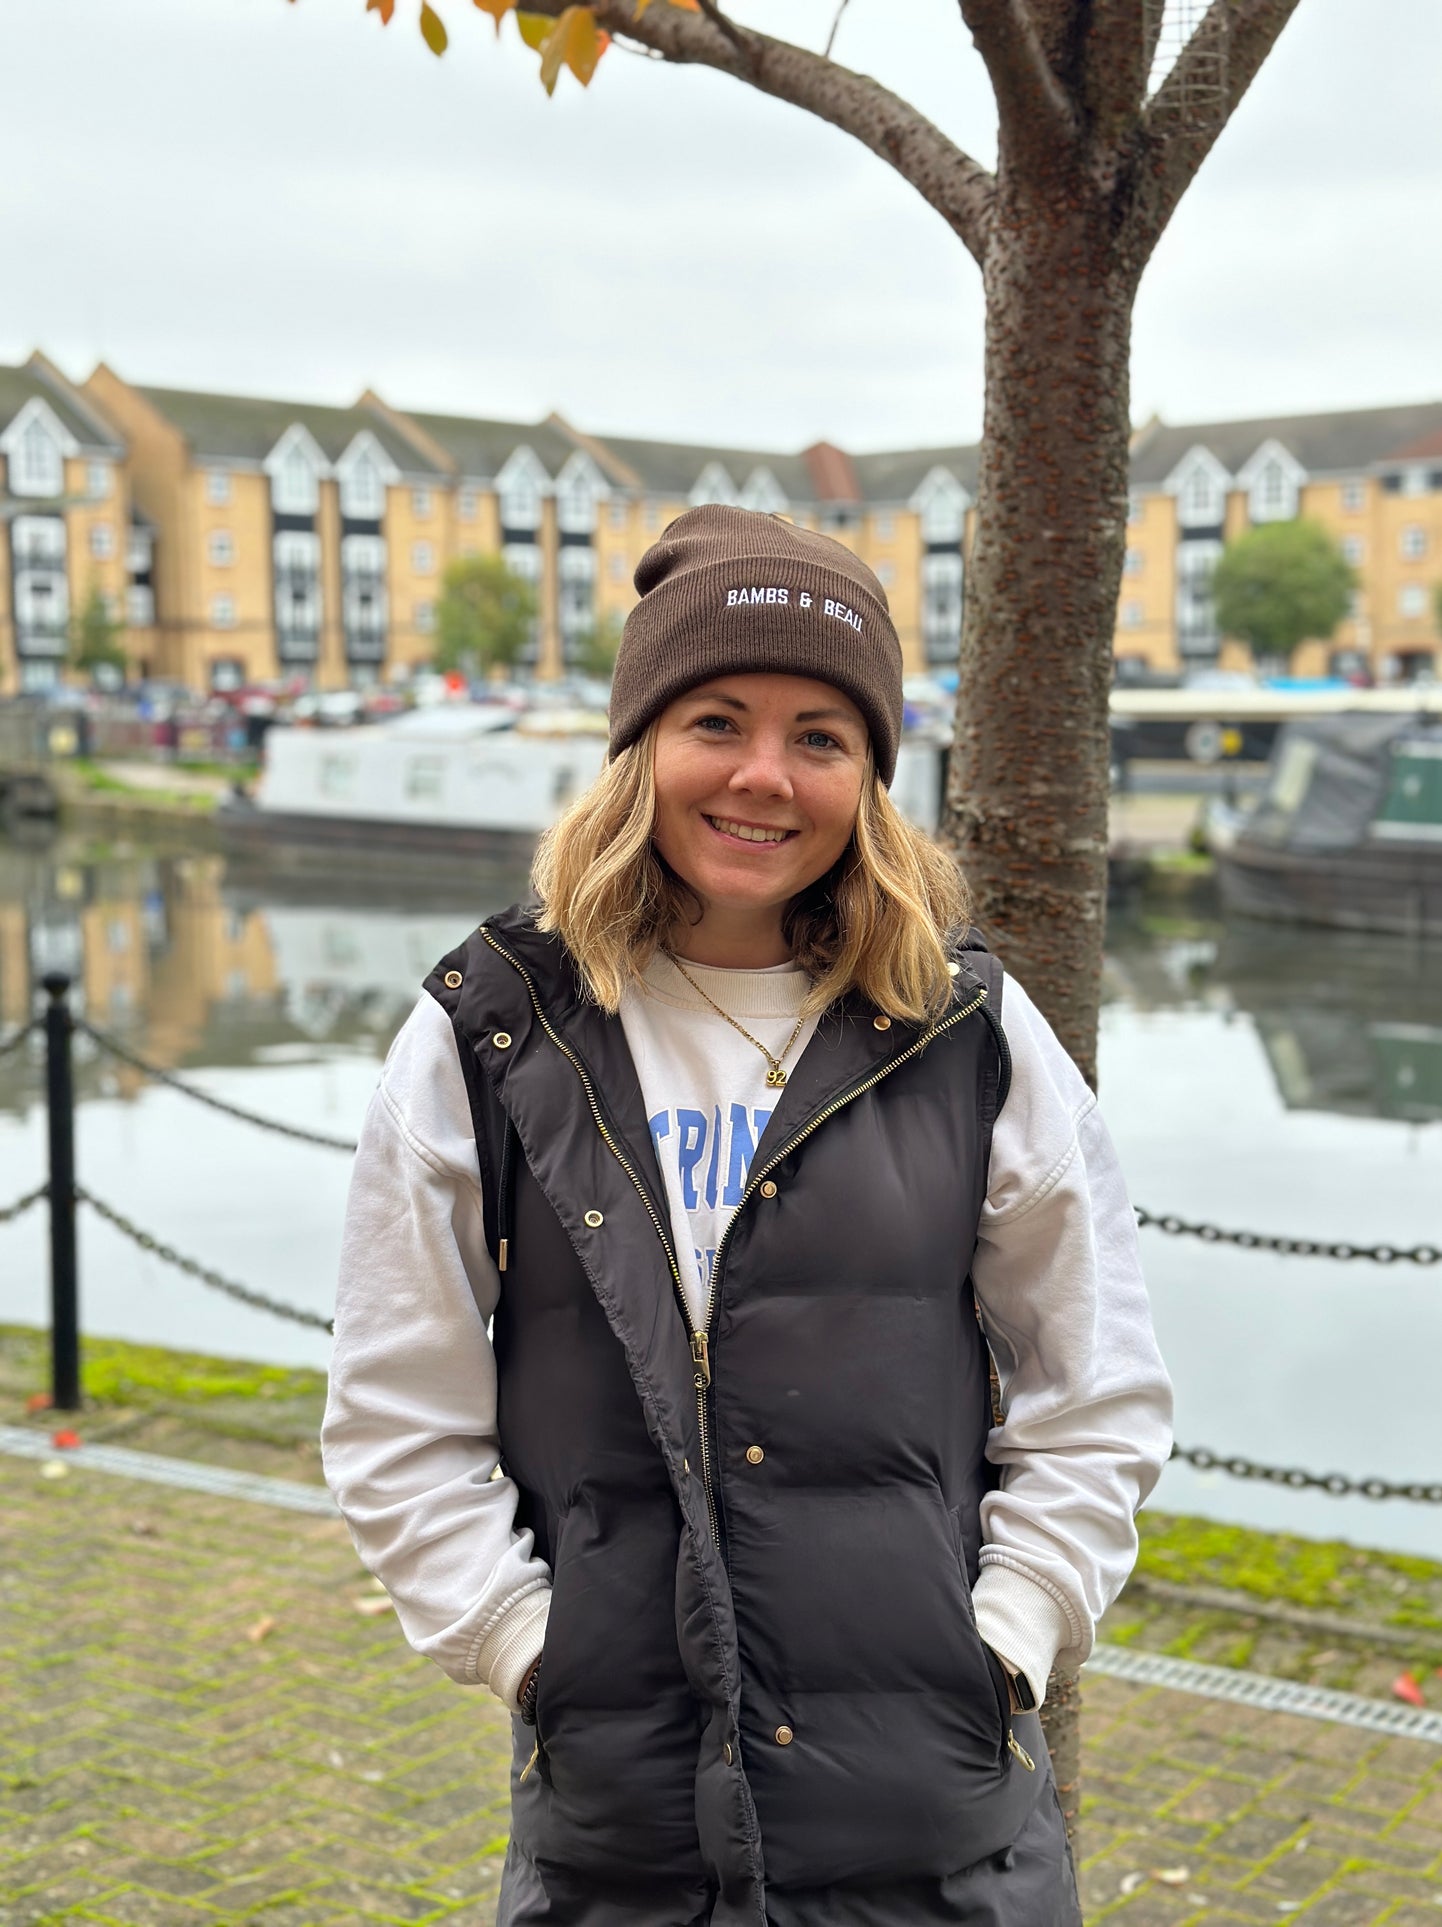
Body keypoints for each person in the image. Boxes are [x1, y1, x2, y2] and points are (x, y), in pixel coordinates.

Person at [322, 506, 1173, 1927]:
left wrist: (1008, 1639)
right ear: (639, 745)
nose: (763, 778)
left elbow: (1096, 1389)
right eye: (716, 720)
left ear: (871, 776)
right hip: (622, 1834)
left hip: (934, 1833)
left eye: (820, 738)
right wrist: (531, 1651)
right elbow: (394, 1408)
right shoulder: (495, 1030)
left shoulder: (965, 1032)